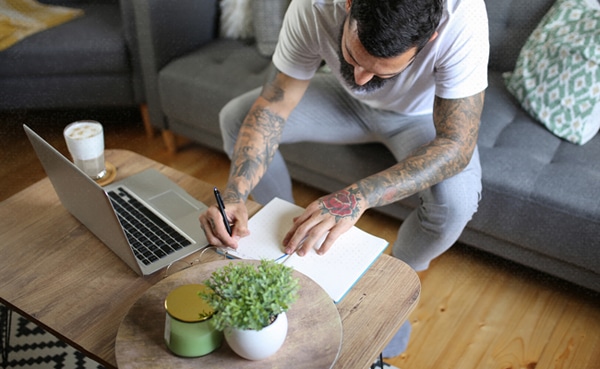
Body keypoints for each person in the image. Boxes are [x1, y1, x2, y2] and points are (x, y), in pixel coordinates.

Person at [200, 0, 489, 357]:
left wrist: (358, 197)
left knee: (457, 202)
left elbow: (456, 144)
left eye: (381, 73)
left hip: (423, 119)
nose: (364, 78)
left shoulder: (464, 18)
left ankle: (393, 281)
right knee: (236, 117)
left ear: (430, 38)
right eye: (353, 59)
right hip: (343, 101)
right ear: (348, 5)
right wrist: (234, 194)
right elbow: (274, 105)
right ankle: (276, 247)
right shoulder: (313, 6)